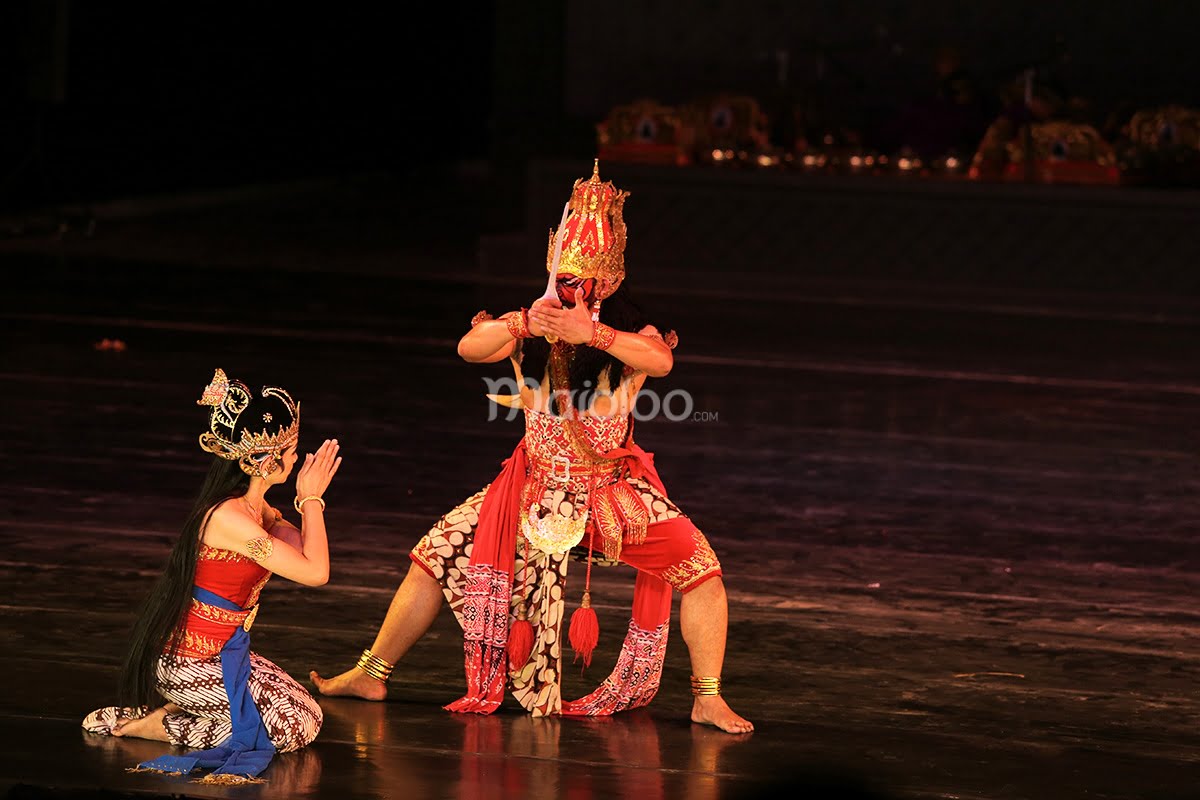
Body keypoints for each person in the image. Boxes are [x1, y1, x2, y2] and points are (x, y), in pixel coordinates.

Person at [311, 161, 752, 734]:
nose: (572, 289)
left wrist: (590, 334)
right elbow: (471, 349)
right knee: (433, 556)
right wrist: (524, 321)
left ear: (609, 280)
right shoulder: (533, 318)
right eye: (564, 277)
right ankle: (373, 672)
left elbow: (660, 361)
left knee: (702, 572)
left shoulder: (628, 328)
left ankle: (707, 697)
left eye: (583, 280)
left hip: (609, 495)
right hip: (528, 490)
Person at [82, 368, 342, 783]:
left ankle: (174, 712)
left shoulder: (259, 512)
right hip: (187, 660)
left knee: (307, 711)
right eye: (290, 450)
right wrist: (311, 498)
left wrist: (310, 501)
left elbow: (307, 552)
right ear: (262, 460)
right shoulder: (229, 519)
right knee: (290, 728)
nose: (297, 458)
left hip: (225, 653)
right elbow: (316, 573)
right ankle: (162, 726)